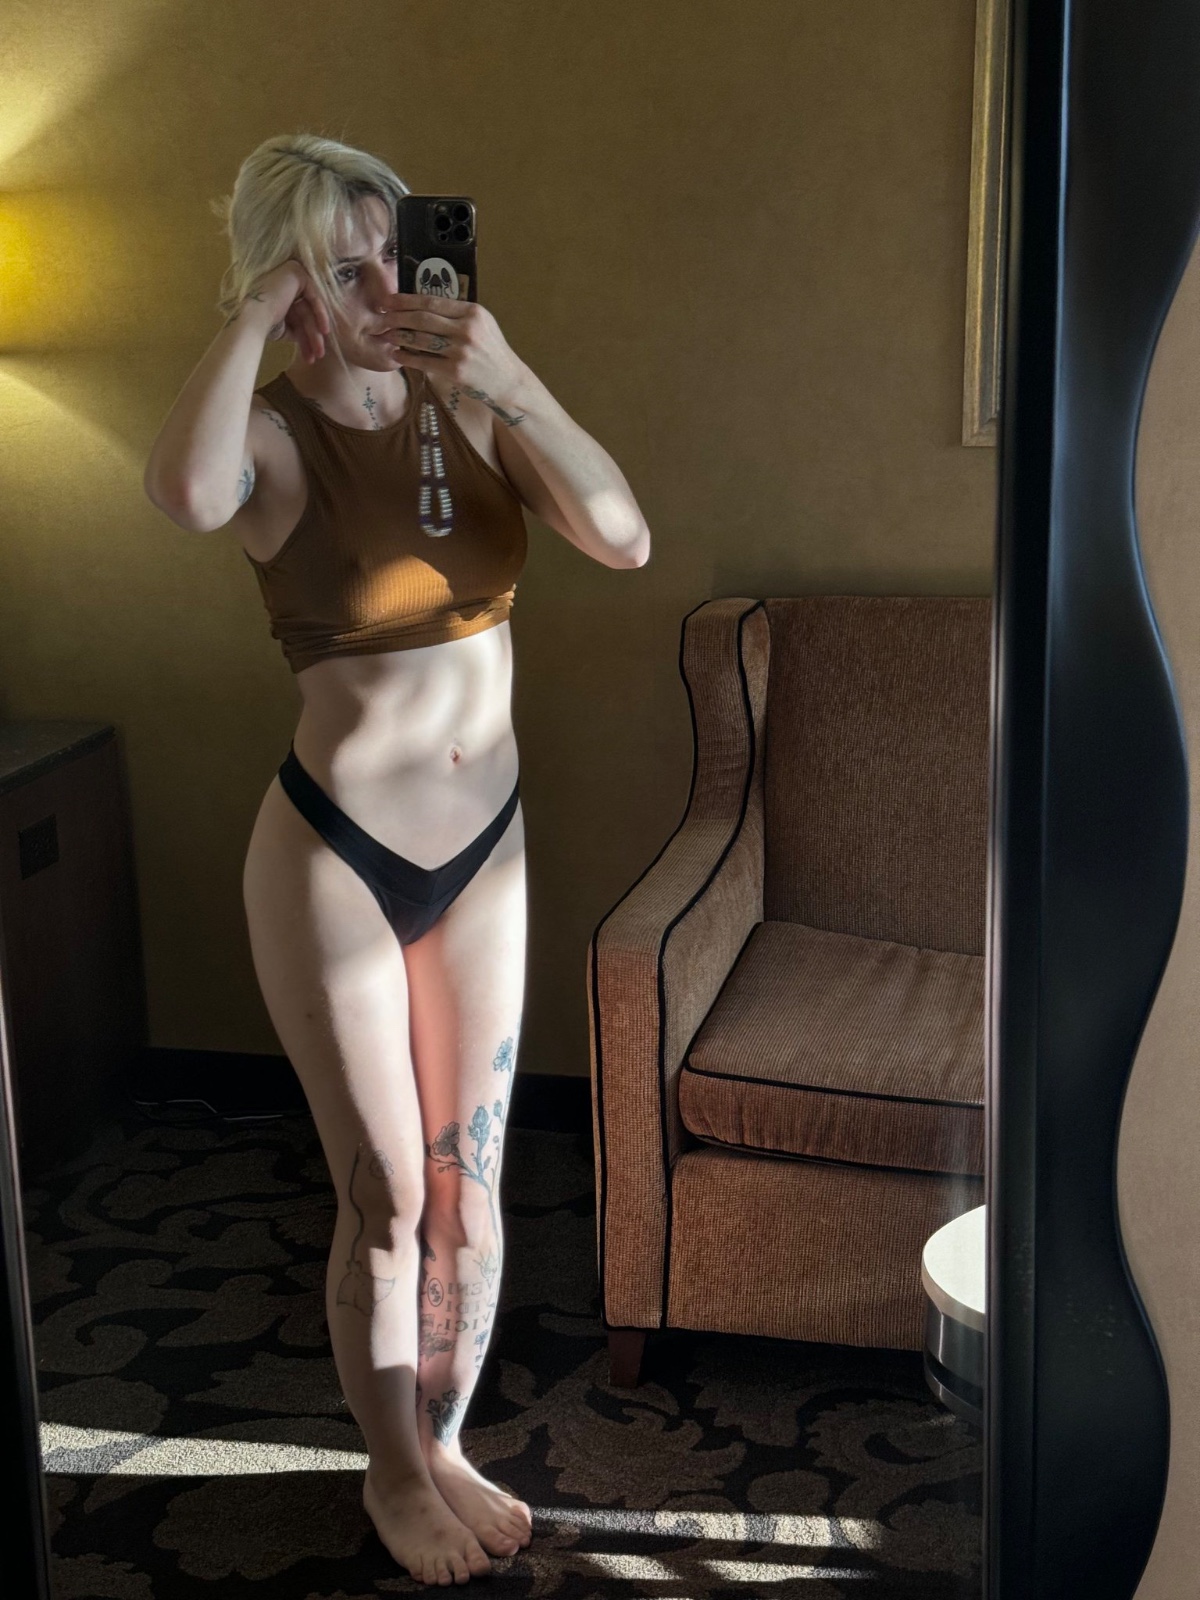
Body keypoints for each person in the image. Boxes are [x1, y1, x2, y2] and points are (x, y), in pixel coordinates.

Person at [143, 132, 650, 1588]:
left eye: (391, 257)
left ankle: (444, 1440)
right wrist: (257, 309)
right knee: (388, 1204)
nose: (383, 292)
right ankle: (390, 1471)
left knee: (472, 1196)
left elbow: (621, 535)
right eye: (340, 269)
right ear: (290, 283)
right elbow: (185, 495)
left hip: (487, 854)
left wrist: (509, 375)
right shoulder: (272, 441)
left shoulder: (469, 404)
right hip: (337, 857)